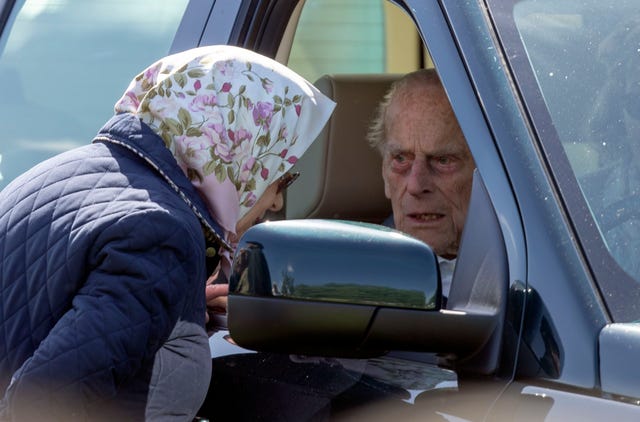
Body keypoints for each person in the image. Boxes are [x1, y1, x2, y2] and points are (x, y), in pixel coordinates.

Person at [0, 45, 335, 421]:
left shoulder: (54, 174)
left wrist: (176, 305)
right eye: (282, 177)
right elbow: (41, 403)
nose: (275, 201)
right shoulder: (164, 235)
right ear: (240, 152)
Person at [367, 69, 475, 299]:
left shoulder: (537, 264)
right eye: (401, 159)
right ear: (384, 173)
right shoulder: (360, 279)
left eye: (443, 161)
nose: (416, 185)